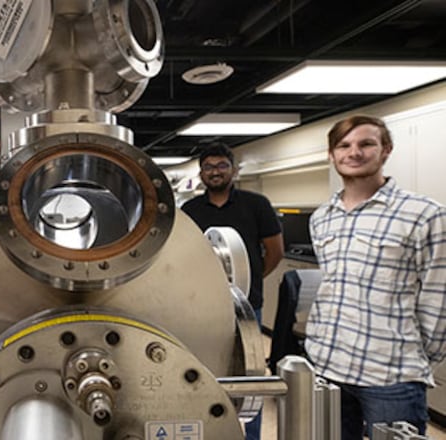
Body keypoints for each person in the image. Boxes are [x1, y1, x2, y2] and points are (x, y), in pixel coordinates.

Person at [306, 115, 446, 439]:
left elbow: (439, 298)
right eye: (344, 145)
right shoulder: (322, 218)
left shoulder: (425, 214)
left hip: (391, 376)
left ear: (386, 150)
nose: (354, 152)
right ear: (332, 155)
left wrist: (416, 359)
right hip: (328, 366)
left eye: (366, 143)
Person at [181, 143, 283, 440]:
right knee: (202, 368)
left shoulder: (256, 204)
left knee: (250, 375)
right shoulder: (191, 210)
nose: (215, 172)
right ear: (201, 173)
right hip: (201, 306)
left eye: (222, 166)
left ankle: (250, 436)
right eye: (209, 167)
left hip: (248, 305)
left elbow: (274, 250)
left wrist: (247, 280)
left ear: (233, 170)